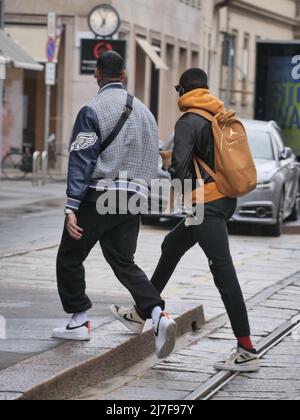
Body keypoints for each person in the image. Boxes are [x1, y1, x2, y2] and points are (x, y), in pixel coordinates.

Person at [112, 68, 260, 373]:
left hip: (207, 205)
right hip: (224, 200)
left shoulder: (188, 121)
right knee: (172, 244)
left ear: (182, 91)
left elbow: (180, 170)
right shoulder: (216, 113)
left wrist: (172, 174)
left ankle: (246, 349)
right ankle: (142, 311)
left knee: (223, 273)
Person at [52, 51, 177, 360]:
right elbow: (155, 158)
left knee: (70, 255)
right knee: (123, 261)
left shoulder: (91, 109)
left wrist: (71, 206)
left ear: (97, 73)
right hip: (134, 196)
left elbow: (82, 159)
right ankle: (158, 314)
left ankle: (78, 319)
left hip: (99, 194)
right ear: (123, 75)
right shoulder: (147, 114)